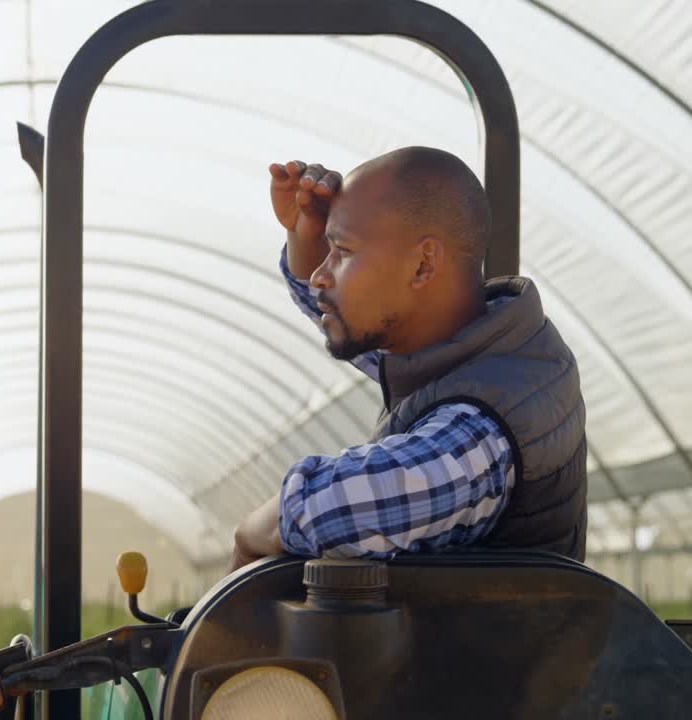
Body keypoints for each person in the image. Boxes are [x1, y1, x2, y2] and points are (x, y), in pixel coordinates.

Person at [229, 146, 587, 571]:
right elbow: (345, 319)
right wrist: (307, 238)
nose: (322, 274)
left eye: (341, 251)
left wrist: (255, 532)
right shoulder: (472, 353)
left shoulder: (485, 427)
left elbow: (334, 509)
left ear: (421, 265)